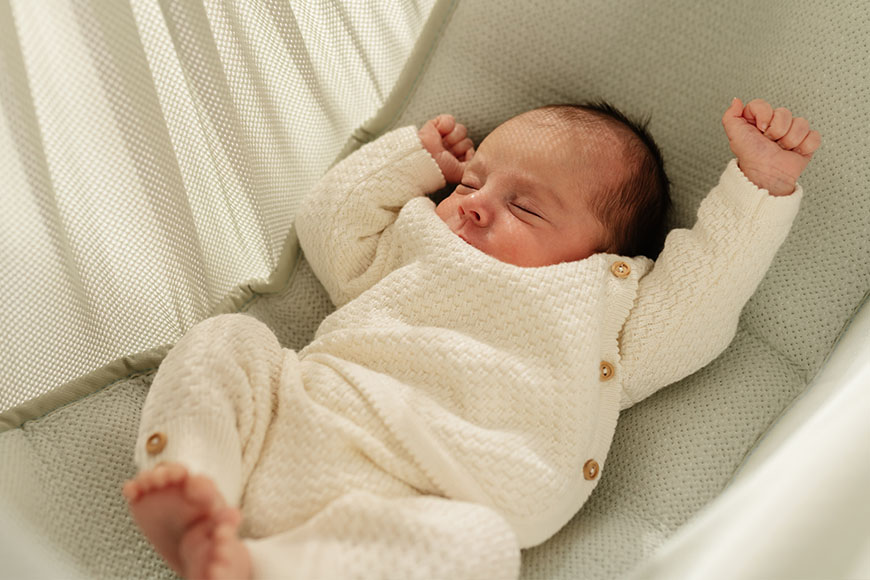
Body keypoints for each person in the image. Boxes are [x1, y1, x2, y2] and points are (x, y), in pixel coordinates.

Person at [123, 98, 820, 580]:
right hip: (299, 424)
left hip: (431, 499)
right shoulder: (420, 237)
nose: (477, 203)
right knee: (227, 341)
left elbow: (700, 302)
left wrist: (759, 187)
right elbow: (328, 224)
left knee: (483, 551)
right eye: (474, 180)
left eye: (526, 206)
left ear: (604, 256)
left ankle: (264, 567)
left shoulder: (601, 310)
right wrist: (416, 160)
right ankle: (192, 480)